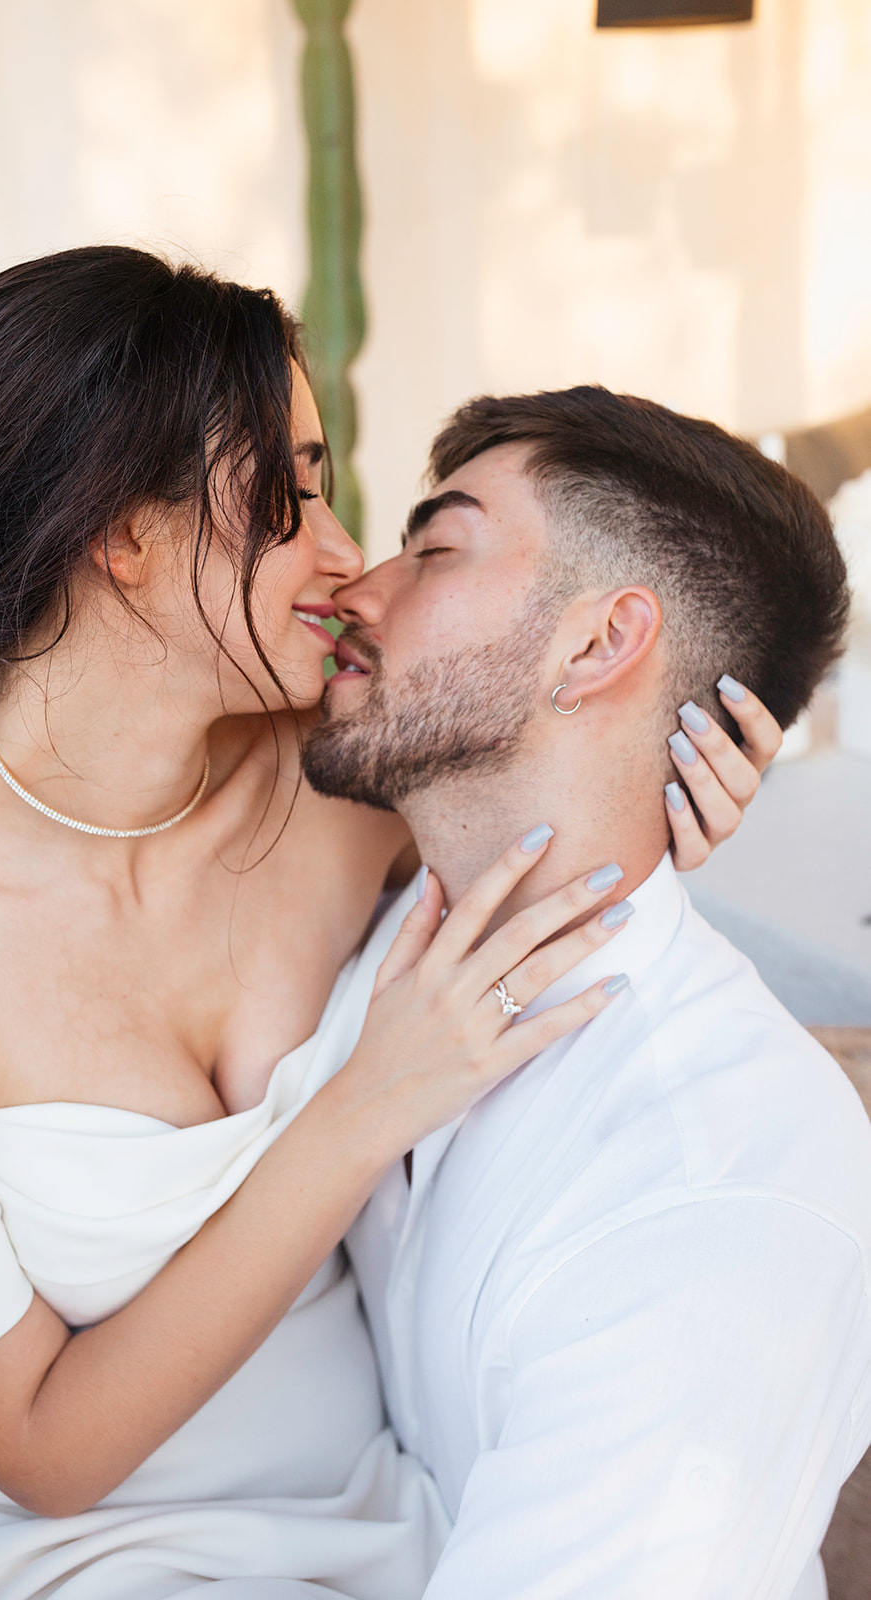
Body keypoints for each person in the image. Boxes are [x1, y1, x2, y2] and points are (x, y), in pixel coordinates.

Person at [0, 248, 776, 1600]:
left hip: (373, 1509)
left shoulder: (339, 778)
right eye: (286, 494)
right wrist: (364, 1103)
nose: (342, 555)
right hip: (56, 1552)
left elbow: (553, 778)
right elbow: (39, 1452)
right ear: (119, 536)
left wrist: (670, 796)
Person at [299, 385, 871, 1600]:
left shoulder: (714, 1193)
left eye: (434, 548)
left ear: (599, 643)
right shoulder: (395, 923)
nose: (356, 588)